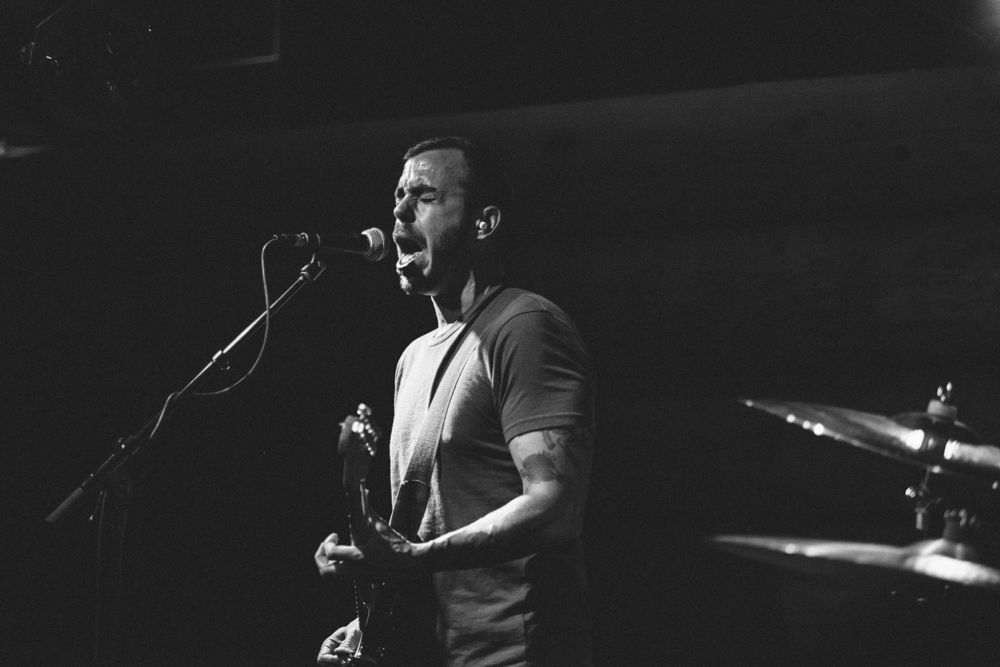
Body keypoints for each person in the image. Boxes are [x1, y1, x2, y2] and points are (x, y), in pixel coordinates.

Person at [314, 137, 595, 667]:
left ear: (483, 223)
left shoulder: (524, 326)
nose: (398, 211)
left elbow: (555, 505)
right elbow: (420, 534)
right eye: (398, 196)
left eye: (423, 196)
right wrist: (369, 615)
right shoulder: (413, 358)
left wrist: (414, 559)